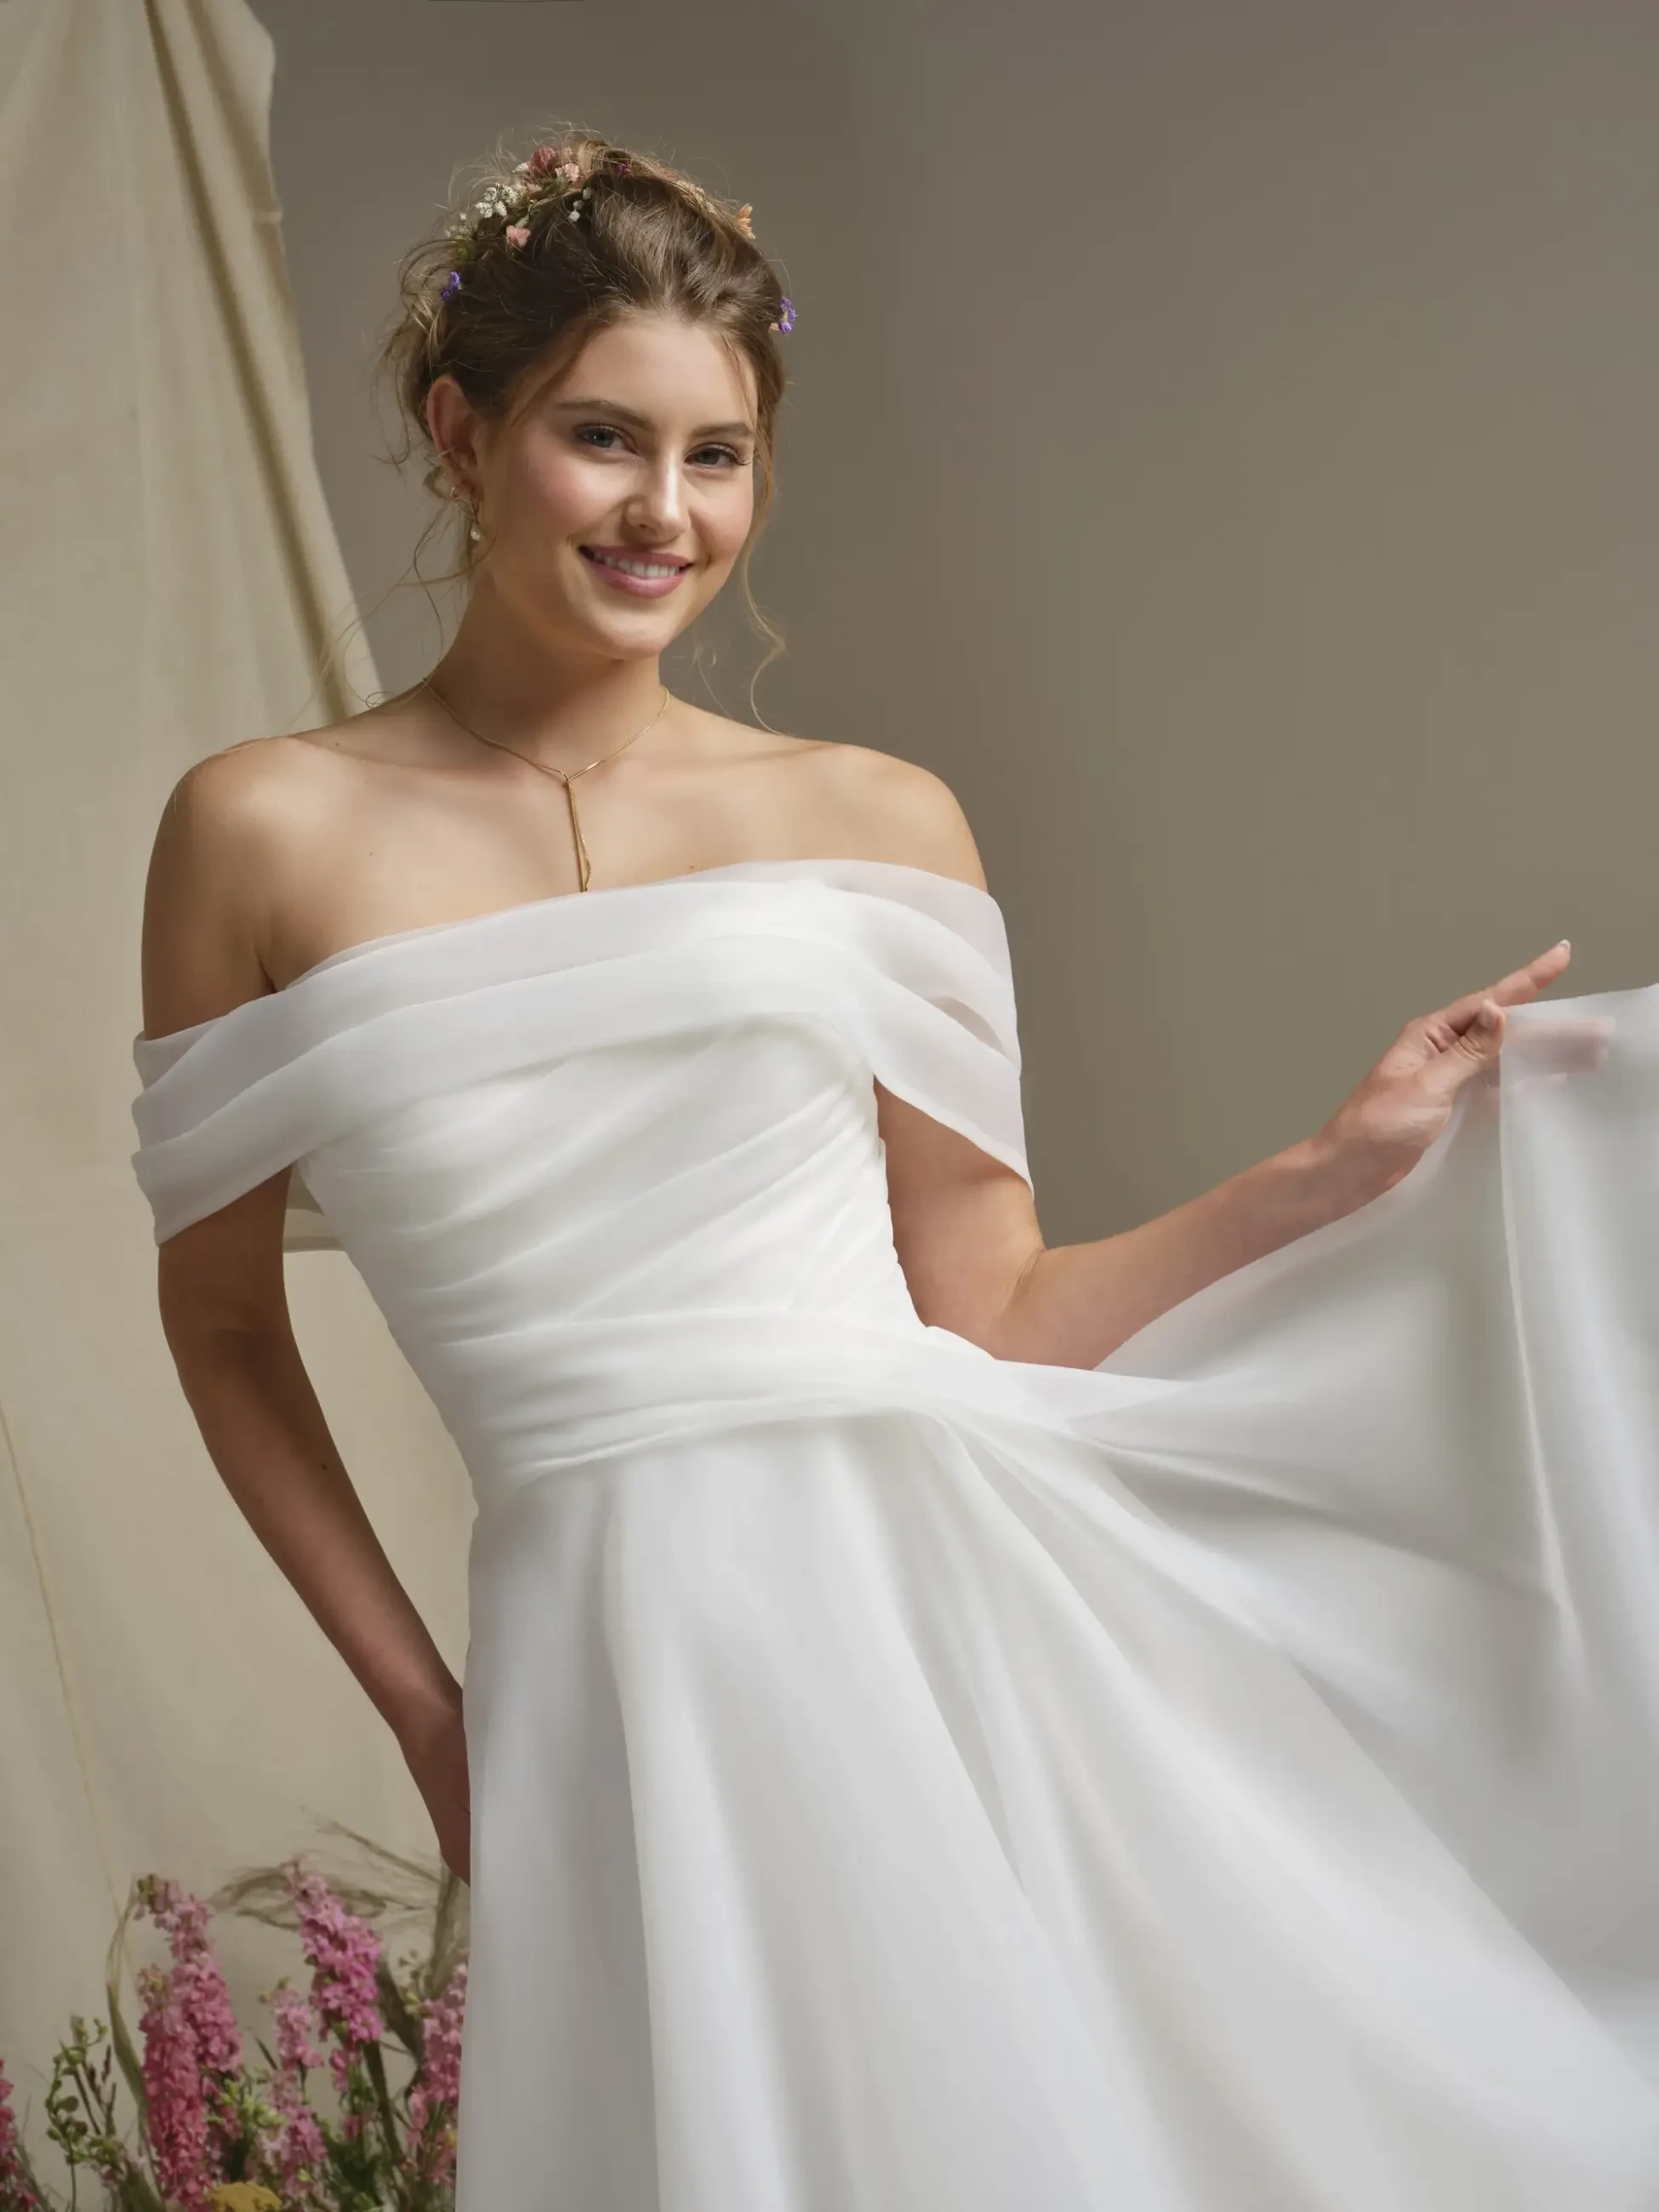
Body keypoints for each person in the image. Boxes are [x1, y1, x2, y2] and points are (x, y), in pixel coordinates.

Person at [130, 133, 1659, 2209]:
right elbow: (221, 1324)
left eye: (720, 456)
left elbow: (995, 1304)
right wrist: (428, 1711)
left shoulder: (876, 819)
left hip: (934, 1609)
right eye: (604, 439)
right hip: (602, 1650)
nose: (669, 515)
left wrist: (1327, 1166)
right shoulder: (258, 833)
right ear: (458, 430)